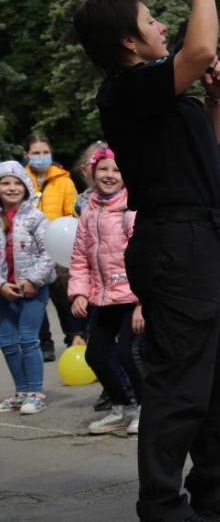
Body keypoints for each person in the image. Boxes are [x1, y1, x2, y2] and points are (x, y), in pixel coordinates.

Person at [73, 0, 220, 518]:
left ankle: (213, 485)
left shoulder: (166, 86)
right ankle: (161, 503)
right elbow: (202, 42)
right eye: (151, 18)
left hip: (208, 236)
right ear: (128, 41)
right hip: (175, 242)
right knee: (182, 382)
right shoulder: (127, 88)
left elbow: (204, 148)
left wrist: (213, 99)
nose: (163, 25)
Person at [67, 148, 146, 435]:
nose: (110, 175)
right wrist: (79, 292)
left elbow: (144, 257)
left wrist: (141, 303)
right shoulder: (89, 210)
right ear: (92, 173)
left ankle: (145, 408)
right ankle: (121, 406)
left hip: (131, 296)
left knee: (129, 354)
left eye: (116, 170)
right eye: (103, 169)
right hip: (103, 295)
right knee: (95, 355)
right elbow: (79, 256)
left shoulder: (130, 209)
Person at [0, 162, 54, 415]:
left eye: (16, 183)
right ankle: (21, 392)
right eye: (5, 183)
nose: (11, 188)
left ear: (25, 186)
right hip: (4, 292)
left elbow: (50, 252)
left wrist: (33, 280)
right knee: (8, 342)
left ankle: (35, 392)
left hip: (33, 289)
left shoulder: (35, 217)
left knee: (28, 339)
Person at [24, 133, 80, 363]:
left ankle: (74, 336)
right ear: (26, 154)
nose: (41, 157)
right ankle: (44, 342)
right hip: (28, 248)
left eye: (45, 152)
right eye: (36, 153)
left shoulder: (64, 180)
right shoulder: (20, 180)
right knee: (35, 295)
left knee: (63, 296)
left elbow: (72, 212)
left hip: (58, 246)